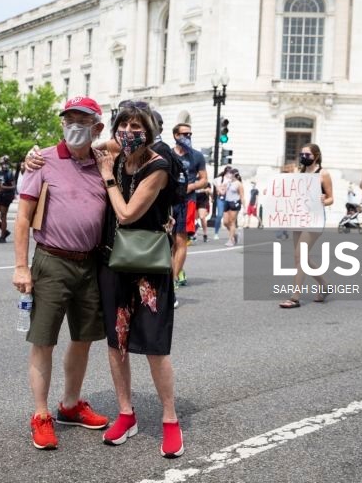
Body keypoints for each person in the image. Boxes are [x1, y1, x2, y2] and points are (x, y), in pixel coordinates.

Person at [12, 96, 109, 451]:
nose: (75, 127)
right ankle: (40, 414)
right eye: (69, 119)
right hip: (52, 261)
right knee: (44, 340)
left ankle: (70, 404)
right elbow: (23, 218)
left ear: (97, 128)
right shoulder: (42, 160)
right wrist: (21, 265)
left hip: (90, 263)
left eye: (83, 121)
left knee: (83, 338)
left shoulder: (103, 162)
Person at [95, 104, 184, 458]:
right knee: (116, 342)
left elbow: (127, 213)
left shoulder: (158, 166)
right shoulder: (118, 154)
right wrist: (34, 157)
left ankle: (170, 419)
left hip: (148, 266)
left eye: (137, 125)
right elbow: (83, 145)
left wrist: (108, 177)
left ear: (150, 130)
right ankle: (126, 413)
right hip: (113, 262)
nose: (129, 131)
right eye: (124, 125)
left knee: (155, 346)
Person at [278, 144, 334, 308]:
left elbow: (331, 198)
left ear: (316, 156)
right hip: (299, 217)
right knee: (301, 257)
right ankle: (324, 285)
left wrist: (324, 200)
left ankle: (295, 297)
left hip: (315, 218)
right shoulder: (299, 173)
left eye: (307, 154)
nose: (304, 157)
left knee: (300, 257)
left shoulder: (323, 174)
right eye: (302, 154)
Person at [171, 123, 207, 287]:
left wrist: (190, 187)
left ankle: (172, 280)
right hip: (169, 202)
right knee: (169, 242)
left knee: (181, 240)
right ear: (175, 136)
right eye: (184, 134)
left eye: (190, 134)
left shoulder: (197, 156)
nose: (187, 137)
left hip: (188, 202)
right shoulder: (168, 154)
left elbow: (204, 180)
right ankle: (176, 270)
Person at [0, 155, 16, 243]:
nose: (4, 165)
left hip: (7, 196)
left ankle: (2, 237)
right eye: (2, 163)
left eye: (6, 163)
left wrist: (4, 188)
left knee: (3, 216)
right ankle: (5, 231)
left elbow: (13, 186)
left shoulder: (10, 173)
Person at [222, 168, 245, 247]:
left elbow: (242, 196)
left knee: (232, 222)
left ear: (235, 174)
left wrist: (244, 208)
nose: (229, 175)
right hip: (227, 201)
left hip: (234, 202)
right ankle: (235, 235)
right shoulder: (228, 182)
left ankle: (231, 239)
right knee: (225, 222)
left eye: (231, 173)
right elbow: (223, 192)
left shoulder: (238, 184)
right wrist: (221, 186)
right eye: (229, 173)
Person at [211, 167, 231, 240]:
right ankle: (216, 233)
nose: (230, 174)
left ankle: (231, 233)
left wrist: (223, 188)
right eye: (229, 173)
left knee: (228, 219)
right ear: (226, 172)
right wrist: (219, 188)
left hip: (229, 199)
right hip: (221, 199)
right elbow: (214, 183)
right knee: (219, 215)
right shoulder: (220, 179)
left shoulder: (231, 180)